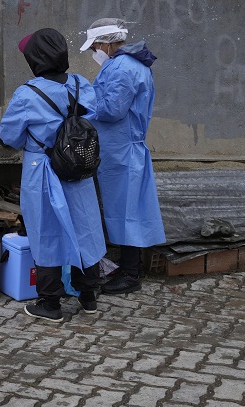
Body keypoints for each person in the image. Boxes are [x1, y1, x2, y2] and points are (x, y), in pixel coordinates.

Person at [0, 28, 105, 322]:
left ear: (36, 60)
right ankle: (88, 297)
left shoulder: (27, 93)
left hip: (42, 169)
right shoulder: (82, 85)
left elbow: (10, 135)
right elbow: (90, 119)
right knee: (85, 227)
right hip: (78, 168)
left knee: (45, 233)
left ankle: (50, 303)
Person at [80, 18, 165, 295]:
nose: (94, 52)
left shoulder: (122, 67)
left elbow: (112, 110)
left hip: (121, 149)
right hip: (124, 146)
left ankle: (130, 274)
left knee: (125, 211)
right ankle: (131, 267)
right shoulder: (131, 64)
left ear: (105, 42)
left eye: (94, 47)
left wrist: (82, 102)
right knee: (128, 209)